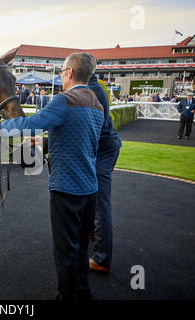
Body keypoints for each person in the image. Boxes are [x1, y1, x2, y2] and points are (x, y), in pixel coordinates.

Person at [0, 52, 104, 301]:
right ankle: (83, 293)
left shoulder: (64, 100)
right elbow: (80, 140)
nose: (60, 76)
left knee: (65, 252)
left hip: (66, 190)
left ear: (69, 72)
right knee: (79, 249)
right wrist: (46, 142)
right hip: (90, 190)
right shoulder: (96, 103)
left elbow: (29, 124)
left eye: (61, 72)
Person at [87, 74, 122, 274]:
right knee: (92, 196)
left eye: (64, 71)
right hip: (103, 148)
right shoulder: (95, 87)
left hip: (103, 150)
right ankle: (93, 233)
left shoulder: (91, 90)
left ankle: (102, 258)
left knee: (101, 203)